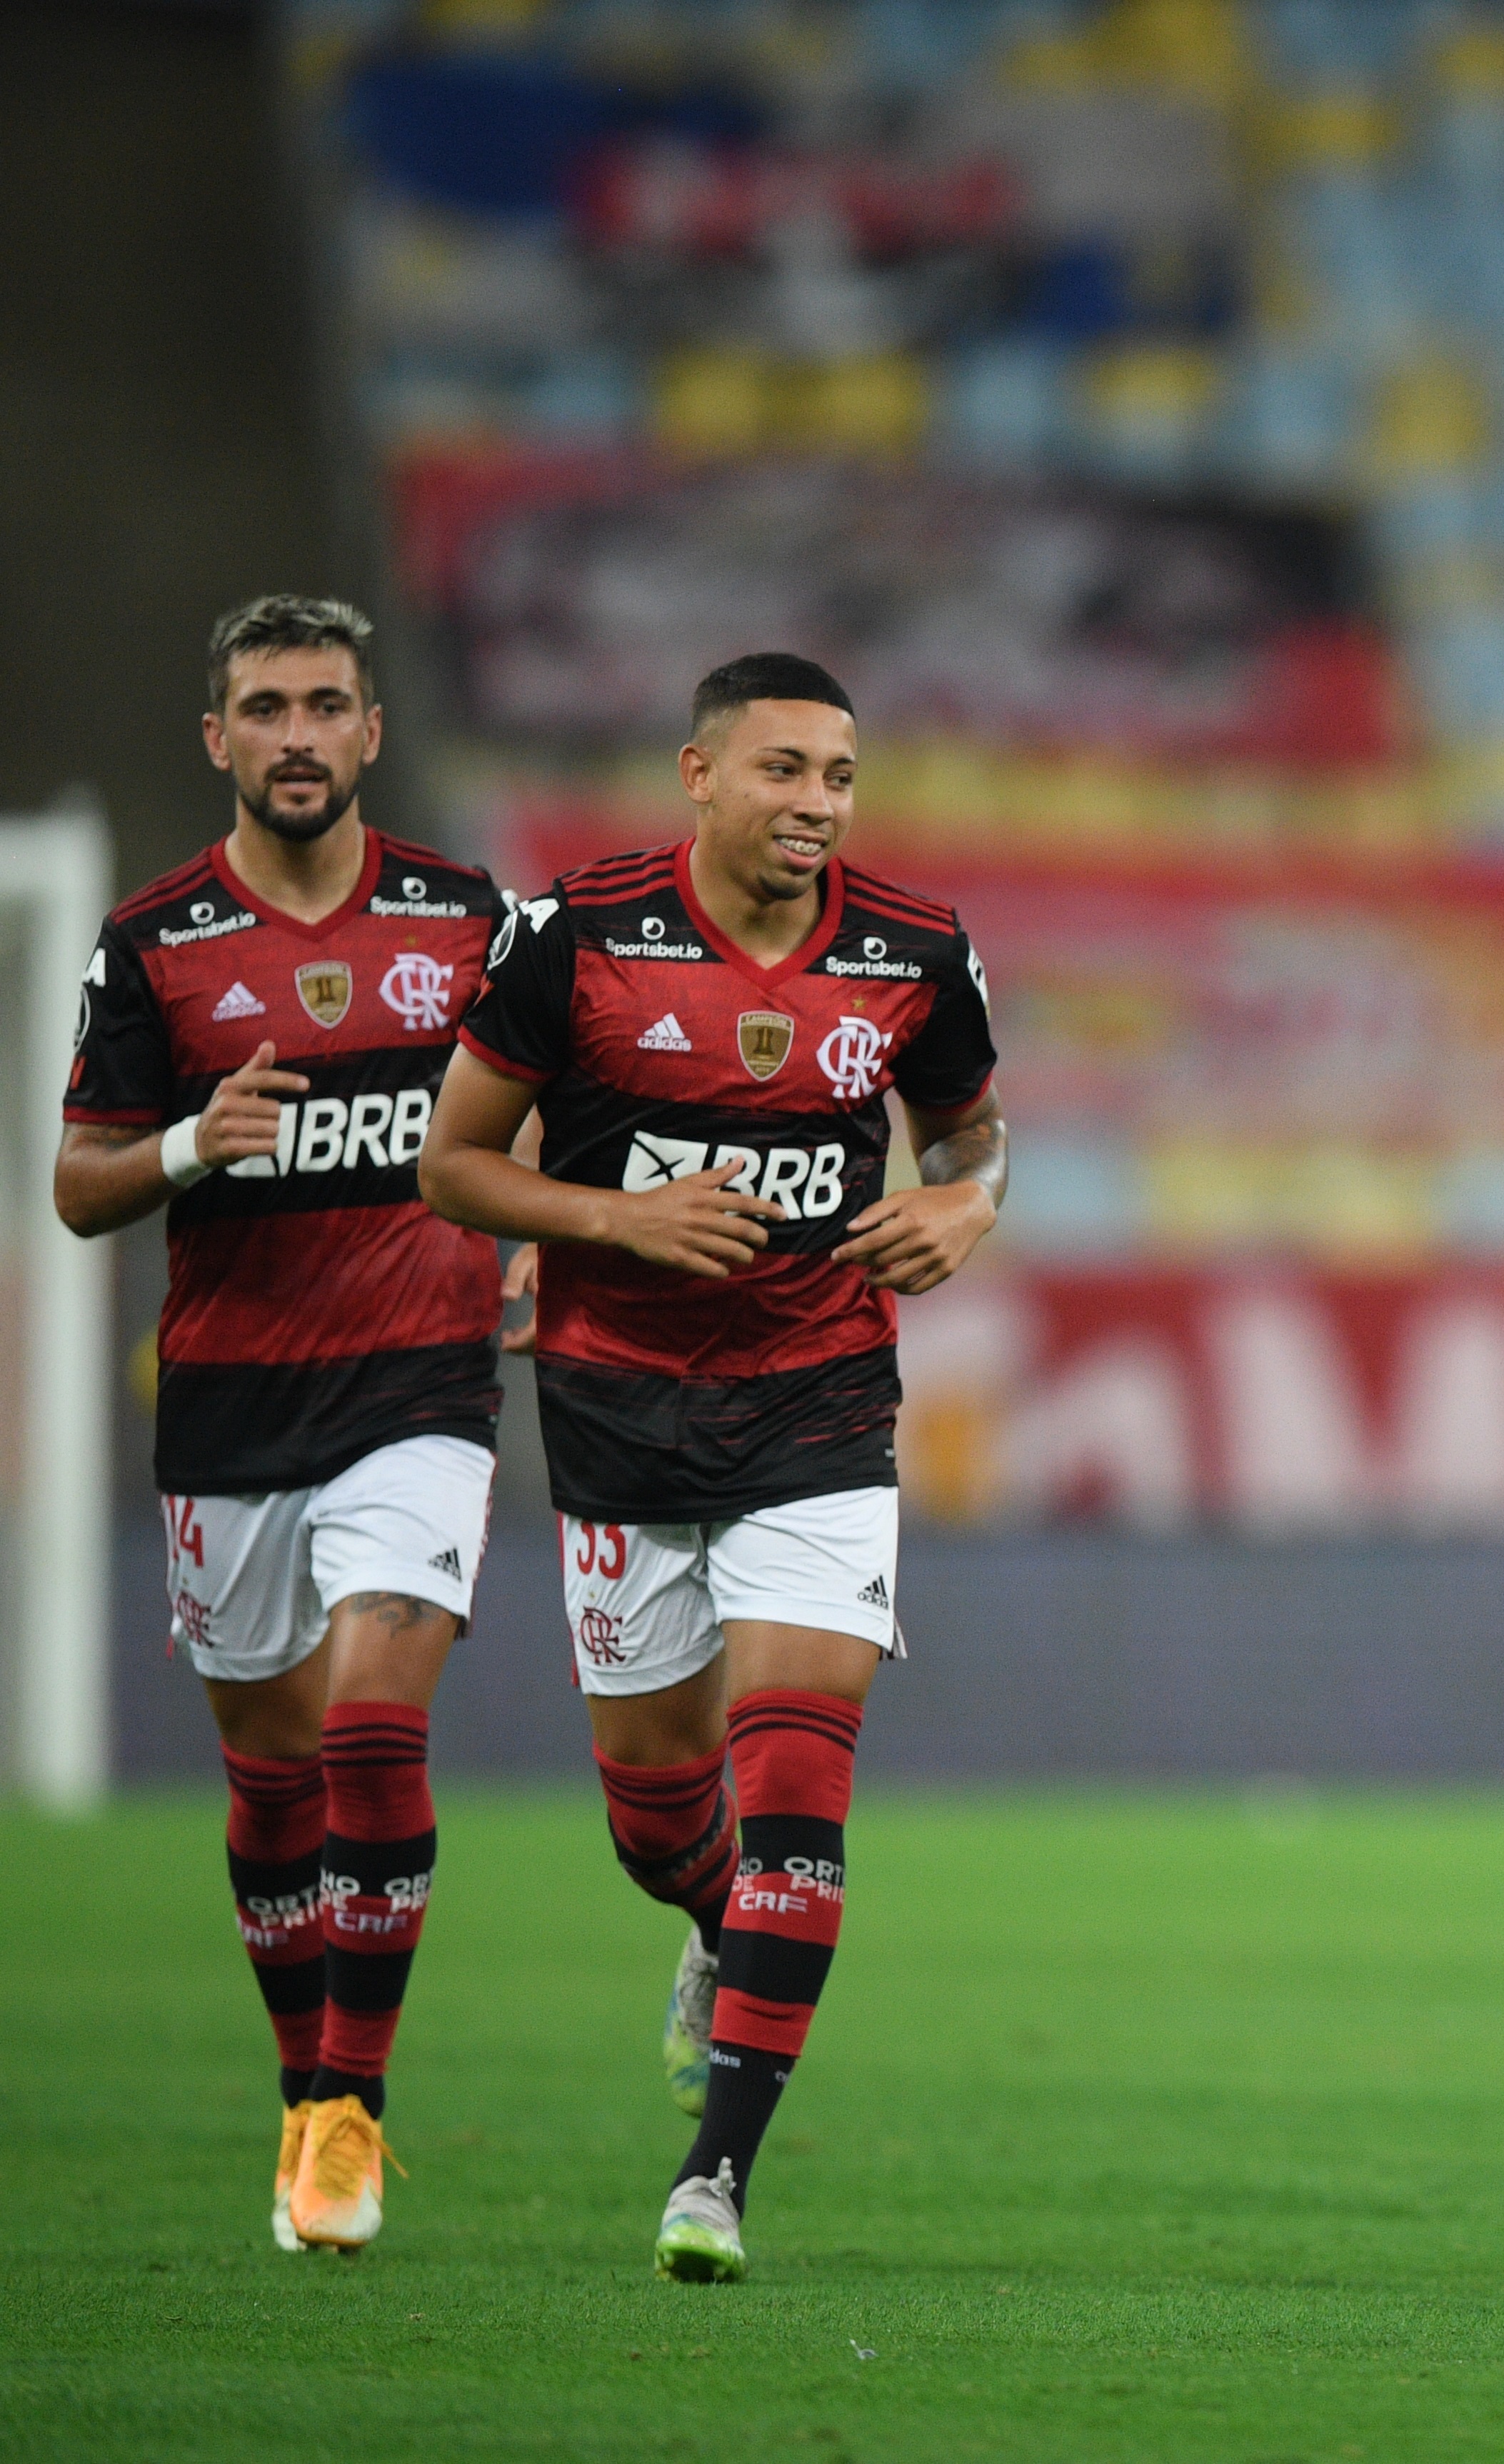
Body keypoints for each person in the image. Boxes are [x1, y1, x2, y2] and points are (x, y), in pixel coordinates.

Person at [418, 653, 1006, 2283]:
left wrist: (964, 1205)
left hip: (819, 1412)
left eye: (839, 775)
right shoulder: (578, 936)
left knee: (801, 1788)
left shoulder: (914, 949)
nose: (817, 805)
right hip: (614, 1419)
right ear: (698, 774)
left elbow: (970, 1136)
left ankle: (715, 2180)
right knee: (659, 1818)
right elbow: (451, 1163)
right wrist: (615, 1219)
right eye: (783, 772)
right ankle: (710, 1925)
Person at [54, 595, 507, 2255]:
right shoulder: (151, 940)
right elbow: (75, 1187)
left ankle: (353, 2107)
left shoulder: (473, 922)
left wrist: (537, 1251)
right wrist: (190, 1144)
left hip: (421, 1385)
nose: (299, 733)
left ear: (373, 732)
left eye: (328, 704)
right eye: (267, 707)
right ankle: (301, 2089)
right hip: (233, 1403)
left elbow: (567, 1111)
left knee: (372, 1732)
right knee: (268, 1785)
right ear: (220, 741)